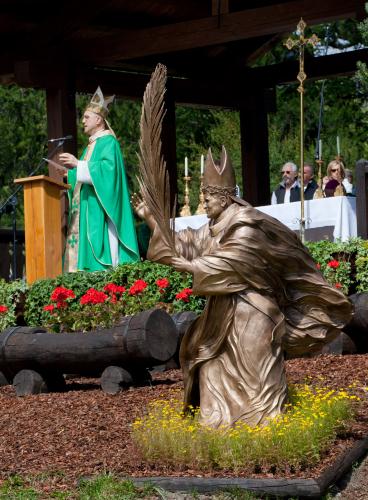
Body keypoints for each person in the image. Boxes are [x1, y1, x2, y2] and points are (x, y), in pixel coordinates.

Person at [133, 147, 352, 429]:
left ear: (224, 197)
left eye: (208, 196)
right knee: (209, 365)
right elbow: (185, 245)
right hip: (222, 316)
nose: (204, 201)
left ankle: (266, 435)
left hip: (253, 314)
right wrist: (151, 219)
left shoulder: (246, 223)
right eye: (202, 195)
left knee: (258, 386)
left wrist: (192, 267)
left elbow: (231, 263)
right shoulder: (214, 224)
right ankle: (217, 430)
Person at [59, 86, 140, 272]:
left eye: (86, 117)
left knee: (100, 252)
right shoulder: (90, 146)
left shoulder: (108, 142)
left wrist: (78, 165)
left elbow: (108, 173)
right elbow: (87, 172)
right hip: (88, 206)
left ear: (98, 119)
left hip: (101, 209)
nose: (82, 121)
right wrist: (71, 174)